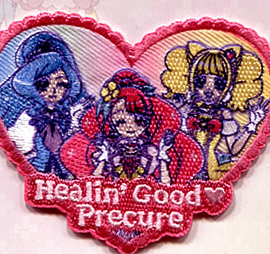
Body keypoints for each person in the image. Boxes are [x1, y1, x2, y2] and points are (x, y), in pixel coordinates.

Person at [61, 70, 202, 183]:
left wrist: (163, 155)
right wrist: (103, 157)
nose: (130, 127)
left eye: (139, 121)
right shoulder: (109, 151)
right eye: (121, 122)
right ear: (110, 123)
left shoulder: (151, 152)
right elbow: (92, 185)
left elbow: (166, 186)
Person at [161, 42, 269, 180]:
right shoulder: (184, 112)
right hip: (183, 170)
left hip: (212, 172)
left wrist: (252, 125)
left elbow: (234, 149)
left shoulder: (224, 116)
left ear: (229, 87)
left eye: (218, 84)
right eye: (201, 82)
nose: (209, 90)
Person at [0, 31, 91, 180]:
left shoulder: (75, 116)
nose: (53, 91)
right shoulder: (26, 119)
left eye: (61, 84)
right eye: (43, 84)